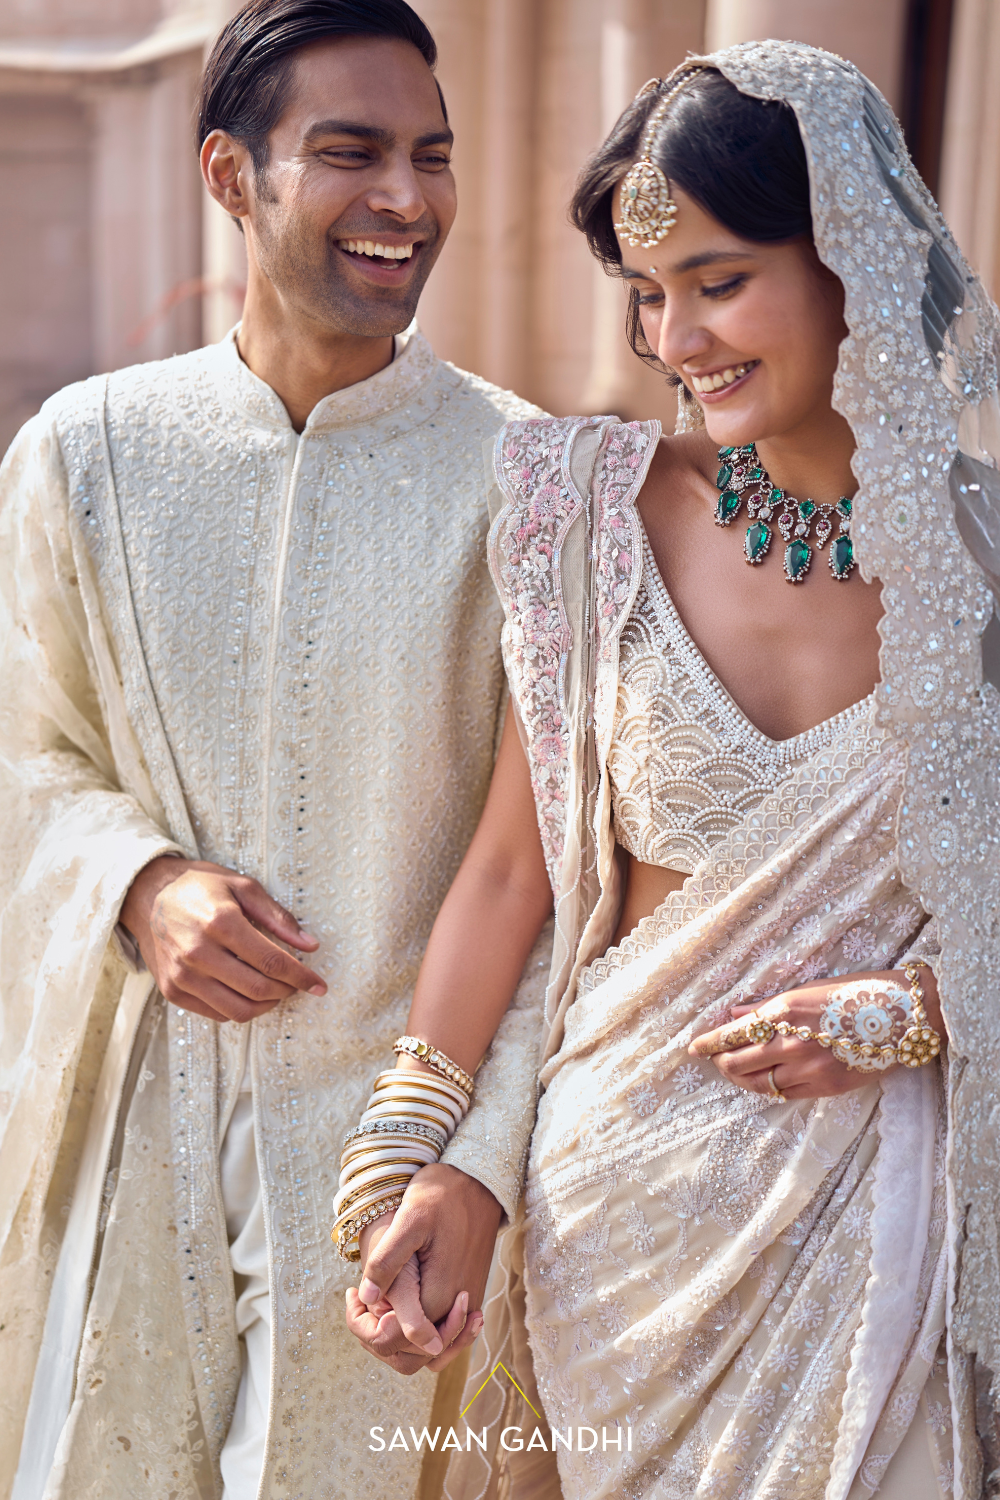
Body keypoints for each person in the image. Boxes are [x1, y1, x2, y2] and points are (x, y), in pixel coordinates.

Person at [345, 41, 1000, 1500]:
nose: (676, 336)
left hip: (878, 1229)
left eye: (719, 280)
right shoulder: (591, 512)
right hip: (615, 1225)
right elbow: (511, 869)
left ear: (851, 263)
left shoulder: (986, 562)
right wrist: (409, 1153)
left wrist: (919, 1014)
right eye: (647, 294)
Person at [0, 2, 551, 1497]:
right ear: (229, 176)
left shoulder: (530, 482)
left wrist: (477, 1160)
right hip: (135, 1153)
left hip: (396, 1185)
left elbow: (571, 876)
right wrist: (136, 881)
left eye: (433, 156)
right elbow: (22, 749)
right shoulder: (86, 457)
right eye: (352, 152)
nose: (407, 198)